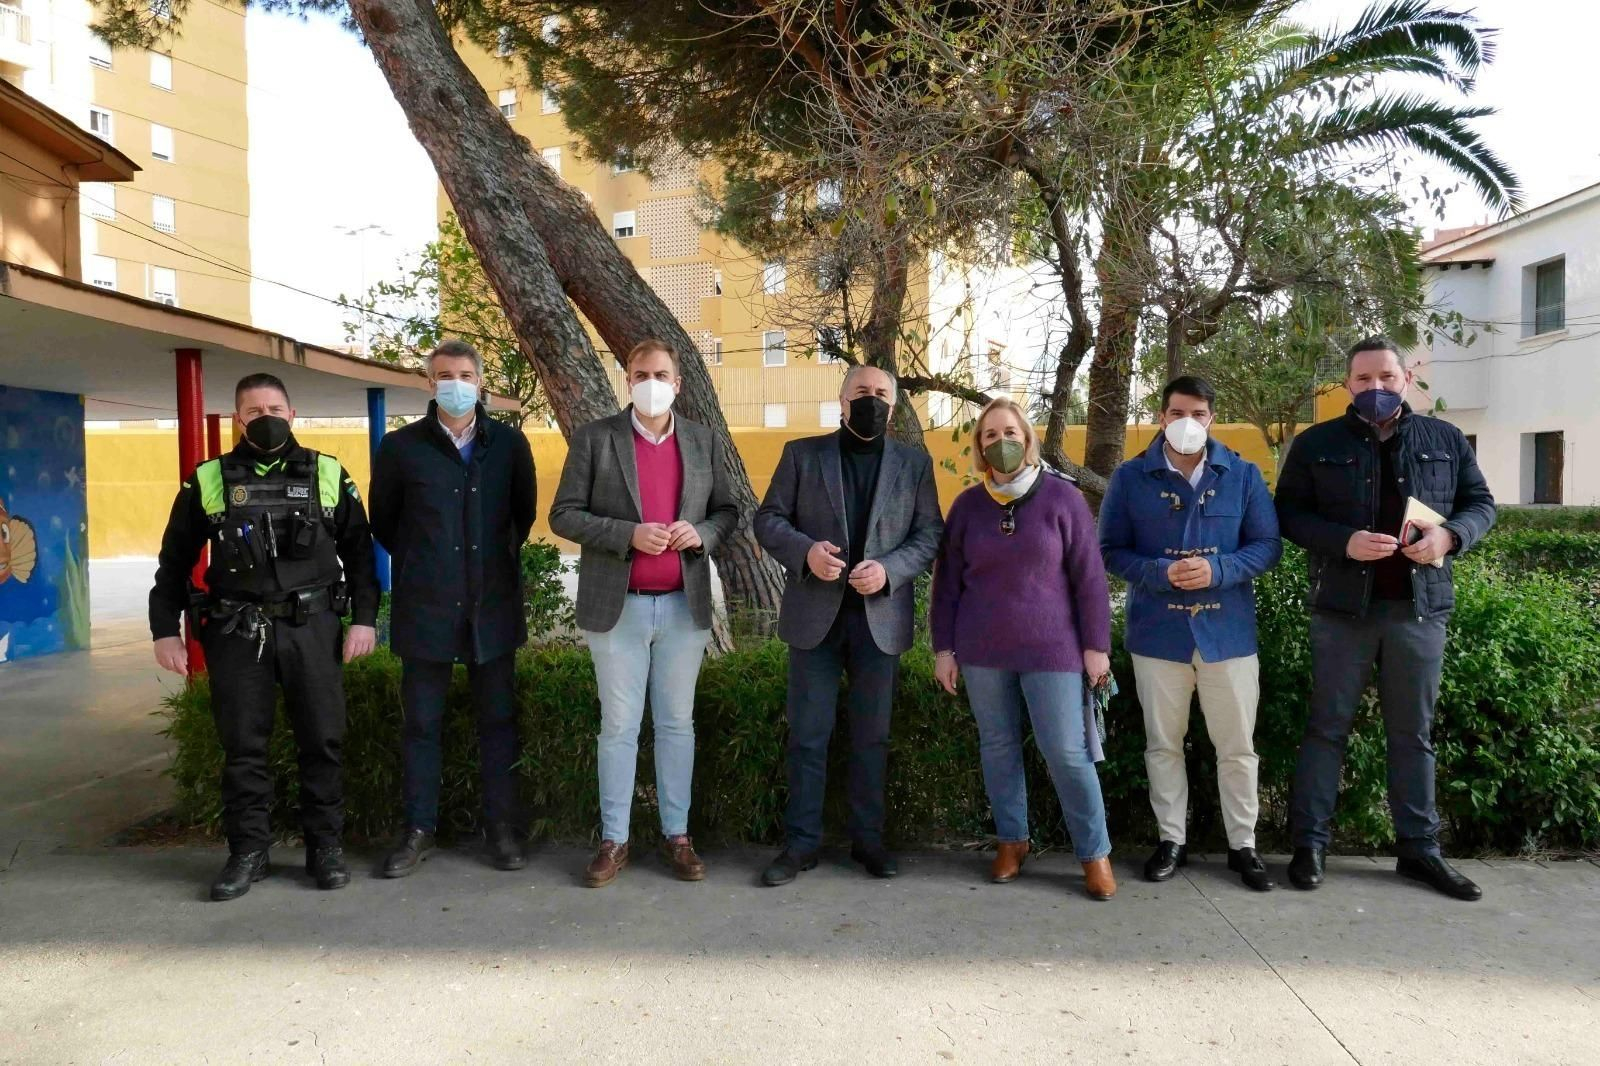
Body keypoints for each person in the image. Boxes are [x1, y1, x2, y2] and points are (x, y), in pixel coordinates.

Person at [1275, 336, 1495, 900]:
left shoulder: (1444, 438)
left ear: (1407, 380)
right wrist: (1343, 541)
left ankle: (1419, 851)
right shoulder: (1316, 443)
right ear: (1348, 384)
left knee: (1412, 733)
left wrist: (1451, 535)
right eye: (1363, 379)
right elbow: (1289, 514)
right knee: (1326, 728)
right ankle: (1309, 846)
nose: (1375, 387)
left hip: (1418, 612)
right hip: (1342, 610)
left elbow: (1480, 504)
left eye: (1387, 377)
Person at [150, 373, 379, 901]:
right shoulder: (208, 478)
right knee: (243, 746)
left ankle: (325, 847)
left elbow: (361, 555)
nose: (266, 418)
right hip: (237, 630)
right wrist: (165, 630)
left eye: (274, 408)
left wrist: (364, 620)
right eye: (253, 412)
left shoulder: (327, 472)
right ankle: (248, 852)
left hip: (312, 626)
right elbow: (174, 561)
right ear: (238, 419)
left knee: (322, 739)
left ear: (292, 413)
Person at [549, 339, 739, 887]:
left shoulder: (702, 441)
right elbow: (564, 514)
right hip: (618, 608)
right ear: (627, 381)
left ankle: (678, 836)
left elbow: (727, 511)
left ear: (677, 383)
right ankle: (615, 840)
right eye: (640, 374)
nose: (650, 382)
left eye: (660, 374)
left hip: (682, 606)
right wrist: (627, 534)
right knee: (619, 726)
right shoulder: (596, 438)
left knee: (678, 723)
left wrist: (700, 533)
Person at [753, 365, 943, 886]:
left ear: (894, 405)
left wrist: (890, 570)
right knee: (808, 737)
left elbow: (930, 534)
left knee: (871, 738)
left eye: (881, 393)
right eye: (861, 391)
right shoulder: (802, 454)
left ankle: (868, 841)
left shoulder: (914, 464)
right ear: (841, 400)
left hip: (880, 620)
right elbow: (768, 520)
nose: (871, 399)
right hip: (815, 618)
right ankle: (800, 844)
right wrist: (805, 552)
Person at [1098, 376, 1282, 892]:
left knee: (1237, 746)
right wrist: (1160, 572)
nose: (1188, 422)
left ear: (1211, 418)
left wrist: (1219, 569)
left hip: (1228, 635)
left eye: (1198, 413)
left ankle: (1243, 845)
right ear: (1161, 417)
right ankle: (1171, 840)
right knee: (1163, 745)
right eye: (1177, 412)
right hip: (1159, 636)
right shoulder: (1130, 478)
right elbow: (1109, 550)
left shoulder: (1242, 474)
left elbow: (1267, 546)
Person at [931, 398, 1117, 900]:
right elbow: (946, 584)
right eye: (990, 435)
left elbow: (1090, 579)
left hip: (1053, 651)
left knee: (1066, 752)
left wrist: (1096, 647)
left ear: (1028, 438)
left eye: (1010, 432)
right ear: (979, 446)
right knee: (998, 748)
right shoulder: (968, 507)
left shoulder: (1063, 499)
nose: (1002, 442)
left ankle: (1094, 853)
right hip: (981, 651)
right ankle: (1012, 841)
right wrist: (944, 648)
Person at [368, 339, 538, 877]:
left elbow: (522, 517)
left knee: (499, 722)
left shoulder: (509, 445)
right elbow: (385, 522)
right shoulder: (401, 448)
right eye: (445, 375)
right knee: (422, 725)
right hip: (427, 608)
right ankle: (418, 830)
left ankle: (502, 830)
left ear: (480, 381)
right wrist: (429, 563)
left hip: (492, 607)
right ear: (430, 382)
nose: (455, 383)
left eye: (465, 374)